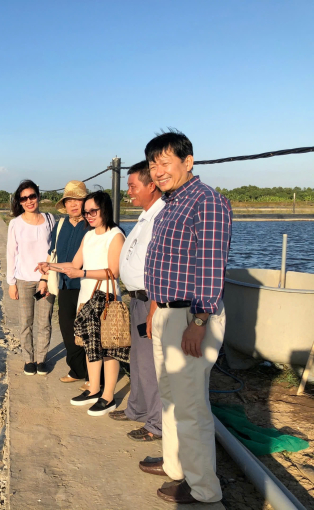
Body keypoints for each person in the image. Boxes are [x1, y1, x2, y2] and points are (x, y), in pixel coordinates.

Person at [138, 130, 232, 505]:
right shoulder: (173, 202)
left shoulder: (205, 202)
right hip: (167, 312)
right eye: (152, 164)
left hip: (191, 316)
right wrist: (155, 310)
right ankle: (177, 466)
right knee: (172, 397)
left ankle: (203, 488)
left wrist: (199, 320)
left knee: (191, 405)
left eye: (165, 162)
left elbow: (211, 265)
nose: (158, 171)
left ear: (187, 161)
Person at [41, 191, 126, 416]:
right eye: (86, 212)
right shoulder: (88, 235)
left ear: (105, 209)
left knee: (108, 348)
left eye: (93, 211)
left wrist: (83, 272)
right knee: (90, 345)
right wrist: (51, 266)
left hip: (107, 299)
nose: (89, 215)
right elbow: (74, 263)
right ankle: (93, 389)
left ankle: (108, 396)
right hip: (86, 298)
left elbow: (113, 272)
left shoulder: (115, 235)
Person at [109, 161, 164, 443]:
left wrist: (154, 305)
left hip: (150, 298)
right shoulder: (146, 216)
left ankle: (156, 423)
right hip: (137, 299)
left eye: (133, 186)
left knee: (151, 364)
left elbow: (160, 267)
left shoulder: (161, 216)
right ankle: (138, 408)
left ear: (151, 185)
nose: (128, 192)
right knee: (138, 359)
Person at [40, 181, 91, 385]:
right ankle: (77, 369)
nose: (73, 204)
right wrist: (44, 278)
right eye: (69, 200)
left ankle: (94, 375)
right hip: (64, 285)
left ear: (85, 202)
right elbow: (51, 254)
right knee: (67, 329)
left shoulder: (91, 225)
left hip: (86, 284)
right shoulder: (60, 225)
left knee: (88, 331)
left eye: (78, 200)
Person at [6, 180, 56, 376]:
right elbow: (11, 253)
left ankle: (42, 359)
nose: (29, 201)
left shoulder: (50, 219)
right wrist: (12, 283)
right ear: (19, 201)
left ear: (38, 196)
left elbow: (54, 249)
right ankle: (28, 359)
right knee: (26, 322)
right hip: (24, 280)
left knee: (45, 321)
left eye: (32, 196)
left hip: (46, 279)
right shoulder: (15, 224)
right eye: (24, 198)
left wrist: (47, 275)